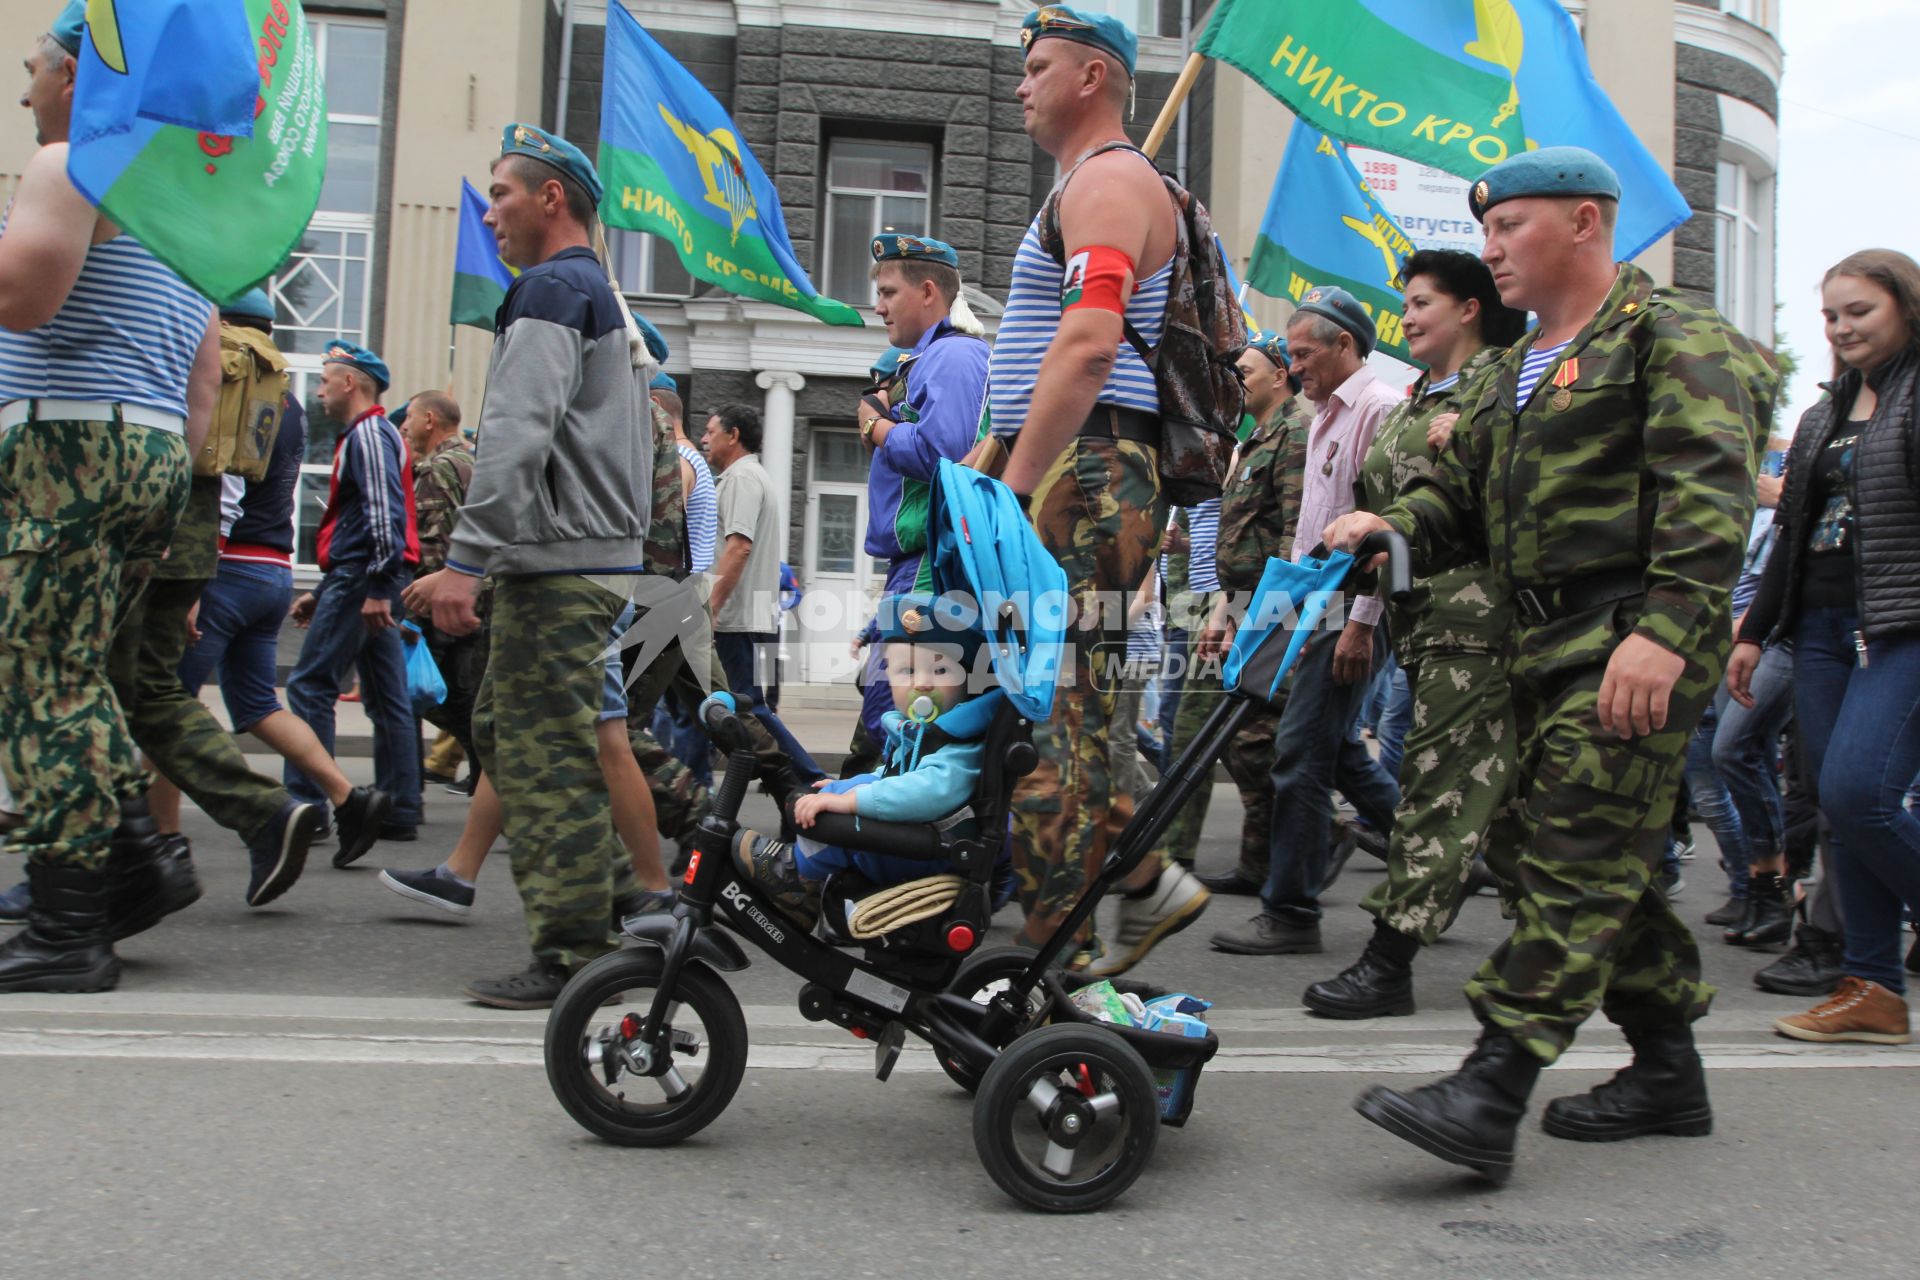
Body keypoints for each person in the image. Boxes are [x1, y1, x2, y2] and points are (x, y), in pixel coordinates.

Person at [1328, 146, 1777, 1181]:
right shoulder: (1507, 370)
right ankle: (1668, 1067)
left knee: (1575, 852)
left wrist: (1665, 632)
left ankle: (1493, 1082)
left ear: (1584, 222)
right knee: (1554, 850)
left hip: (1628, 640)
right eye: (1485, 233)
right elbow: (1461, 503)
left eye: (1508, 228)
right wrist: (1385, 527)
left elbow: (1707, 501)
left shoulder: (1671, 335)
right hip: (1536, 645)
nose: (1491, 251)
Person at [406, 123, 653, 1008]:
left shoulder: (549, 288)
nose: (491, 211)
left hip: (557, 568)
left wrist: (465, 565)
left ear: (552, 198)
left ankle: (573, 952)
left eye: (502, 193)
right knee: (513, 738)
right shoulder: (600, 295)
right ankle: (621, 894)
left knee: (543, 754)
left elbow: (514, 437)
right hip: (585, 560)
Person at [0, 5, 218, 991]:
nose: (25, 88)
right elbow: (206, 376)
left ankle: (67, 921)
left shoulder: (68, 163)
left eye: (36, 67)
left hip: (70, 438)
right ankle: (134, 854)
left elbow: (26, 296)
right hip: (152, 449)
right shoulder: (177, 204)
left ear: (80, 76)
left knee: (41, 672)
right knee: (78, 671)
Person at [991, 5, 1210, 976]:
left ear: (1092, 77)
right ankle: (1139, 877)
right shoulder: (1095, 183)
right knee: (1070, 706)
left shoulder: (1112, 181)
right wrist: (987, 469)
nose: (1021, 82)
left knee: (1057, 722)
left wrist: (1014, 485)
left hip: (1086, 472)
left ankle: (1058, 955)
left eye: (1037, 66)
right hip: (1084, 471)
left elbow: (1086, 344)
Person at [1300, 250, 1527, 1018]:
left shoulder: (1506, 388)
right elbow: (1382, 517)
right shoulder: (1413, 403)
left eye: (1424, 301)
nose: (1409, 315)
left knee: (1437, 791)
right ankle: (1608, 964)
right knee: (1514, 815)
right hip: (1419, 621)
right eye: (1406, 303)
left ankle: (1388, 961)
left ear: (1469, 308)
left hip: (1476, 624)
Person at [1733, 248, 1920, 1046]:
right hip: (1816, 632)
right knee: (1842, 814)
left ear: (1906, 309)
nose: (1842, 328)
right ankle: (1872, 988)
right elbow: (1791, 537)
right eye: (1832, 316)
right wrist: (1752, 635)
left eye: (1860, 312)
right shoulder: (1822, 412)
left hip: (1901, 627)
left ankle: (1874, 975)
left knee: (1857, 793)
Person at [162, 291, 390, 887]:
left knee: (165, 705)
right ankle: (346, 797)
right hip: (271, 567)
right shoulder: (283, 398)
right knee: (258, 703)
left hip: (225, 569)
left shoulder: (227, 380)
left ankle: (164, 844)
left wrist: (194, 577)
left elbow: (223, 483)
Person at [1208, 286, 1402, 958]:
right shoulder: (1322, 416)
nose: (1294, 367)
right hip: (1311, 606)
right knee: (1328, 750)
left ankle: (1291, 912)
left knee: (1299, 754)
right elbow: (1304, 540)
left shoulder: (1378, 411)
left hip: (1351, 610)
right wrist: (1265, 623)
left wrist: (1364, 624)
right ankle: (1438, 859)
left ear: (1345, 344)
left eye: (1303, 353)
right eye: (1287, 356)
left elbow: (1388, 531)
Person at [733, 593, 1001, 927]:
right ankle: (816, 885)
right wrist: (842, 788)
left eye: (941, 669)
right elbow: (891, 774)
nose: (922, 682)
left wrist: (851, 800)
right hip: (919, 839)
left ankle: (796, 879)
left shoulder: (961, 745)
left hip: (937, 849)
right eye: (906, 671)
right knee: (843, 790)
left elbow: (926, 792)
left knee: (844, 816)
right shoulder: (922, 732)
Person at [284, 341, 424, 851]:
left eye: (324, 380)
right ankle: (399, 808)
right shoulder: (377, 433)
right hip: (366, 580)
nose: (318, 391)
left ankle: (310, 804)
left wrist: (375, 588)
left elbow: (382, 515)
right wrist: (324, 592)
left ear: (350, 383)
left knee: (309, 686)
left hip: (363, 580)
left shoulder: (367, 434)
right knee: (389, 698)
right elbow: (368, 523)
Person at [855, 234, 990, 745]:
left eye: (889, 292)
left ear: (928, 291)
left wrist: (877, 428)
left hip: (932, 560)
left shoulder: (952, 356)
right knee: (888, 715)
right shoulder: (929, 357)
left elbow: (943, 458)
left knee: (899, 724)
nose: (879, 305)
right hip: (918, 562)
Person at [1192, 335, 1311, 896]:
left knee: (1259, 739)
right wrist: (1224, 611)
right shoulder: (1256, 437)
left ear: (1280, 376)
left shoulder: (1296, 432)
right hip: (1245, 604)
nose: (1238, 382)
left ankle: (1302, 848)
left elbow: (1294, 529)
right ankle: (1260, 862)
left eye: (1246, 372)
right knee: (1249, 740)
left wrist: (1268, 614)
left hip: (1275, 609)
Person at [703, 402, 823, 777]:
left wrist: (710, 609)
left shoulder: (742, 480)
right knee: (745, 708)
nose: (704, 439)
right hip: (747, 614)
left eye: (710, 432)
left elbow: (739, 546)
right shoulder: (750, 477)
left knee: (747, 709)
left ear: (733, 435)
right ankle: (798, 784)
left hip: (736, 617)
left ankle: (805, 782)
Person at [403, 389, 486, 790]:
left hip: (447, 599)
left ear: (430, 420)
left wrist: (424, 607)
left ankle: (488, 771)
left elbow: (434, 541)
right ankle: (483, 771)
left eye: (411, 418)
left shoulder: (437, 467)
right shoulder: (474, 459)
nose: (406, 426)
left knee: (440, 694)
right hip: (482, 592)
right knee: (463, 691)